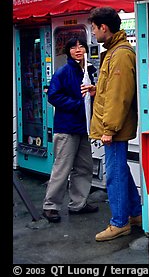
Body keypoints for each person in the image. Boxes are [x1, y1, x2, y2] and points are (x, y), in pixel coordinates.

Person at [84, 6, 141, 242]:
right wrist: (97, 90)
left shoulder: (119, 54)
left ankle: (119, 223)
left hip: (114, 129)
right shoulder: (117, 51)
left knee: (114, 174)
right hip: (115, 126)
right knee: (121, 170)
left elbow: (120, 96)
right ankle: (136, 213)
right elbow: (113, 91)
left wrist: (108, 129)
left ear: (104, 27)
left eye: (94, 28)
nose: (93, 33)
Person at [42, 37, 99, 223]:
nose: (78, 49)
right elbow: (53, 95)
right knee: (62, 167)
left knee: (84, 167)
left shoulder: (89, 69)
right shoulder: (63, 72)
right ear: (67, 51)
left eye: (81, 45)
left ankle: (78, 203)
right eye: (73, 47)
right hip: (66, 127)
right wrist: (77, 104)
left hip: (83, 127)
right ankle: (50, 206)